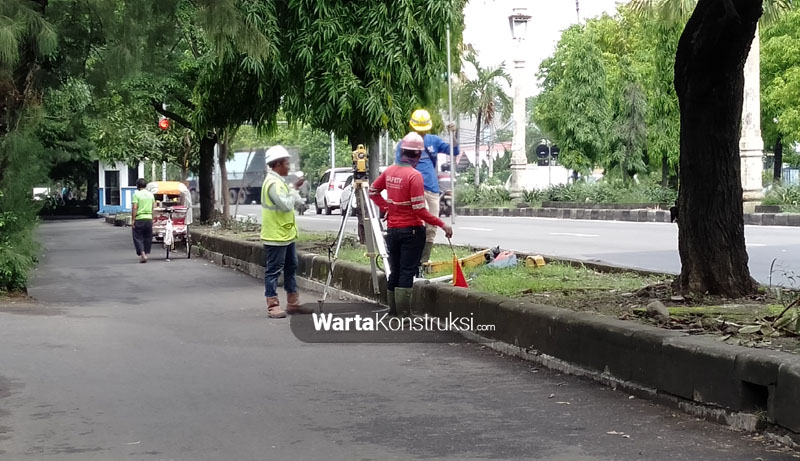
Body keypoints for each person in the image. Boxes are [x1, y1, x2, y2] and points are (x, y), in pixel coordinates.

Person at [373, 132, 454, 317]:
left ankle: (393, 311)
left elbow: (373, 191)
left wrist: (386, 208)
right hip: (411, 231)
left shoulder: (389, 171)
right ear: (417, 154)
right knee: (407, 271)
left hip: (392, 230)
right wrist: (442, 224)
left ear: (402, 151)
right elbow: (420, 210)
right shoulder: (414, 175)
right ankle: (404, 314)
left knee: (395, 270)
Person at [394, 109, 459, 265]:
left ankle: (423, 261)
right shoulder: (403, 144)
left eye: (423, 130)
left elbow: (454, 150)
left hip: (432, 189)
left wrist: (453, 134)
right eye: (419, 130)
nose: (421, 133)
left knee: (432, 226)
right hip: (413, 189)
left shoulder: (433, 140)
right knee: (418, 225)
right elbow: (399, 168)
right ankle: (413, 259)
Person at [260, 145, 312, 318]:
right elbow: (286, 205)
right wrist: (294, 190)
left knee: (291, 267)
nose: (289, 167)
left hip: (285, 234)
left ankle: (293, 303)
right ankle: (273, 306)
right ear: (278, 164)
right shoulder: (273, 184)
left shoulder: (279, 182)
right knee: (273, 271)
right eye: (287, 163)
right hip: (275, 235)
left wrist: (293, 188)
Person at [131, 178, 155, 263]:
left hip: (139, 218)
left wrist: (133, 219)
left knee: (138, 237)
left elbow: (135, 207)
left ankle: (143, 254)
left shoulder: (136, 194)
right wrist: (152, 218)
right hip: (148, 218)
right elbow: (153, 207)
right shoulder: (151, 195)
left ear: (137, 186)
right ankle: (146, 254)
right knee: (148, 237)